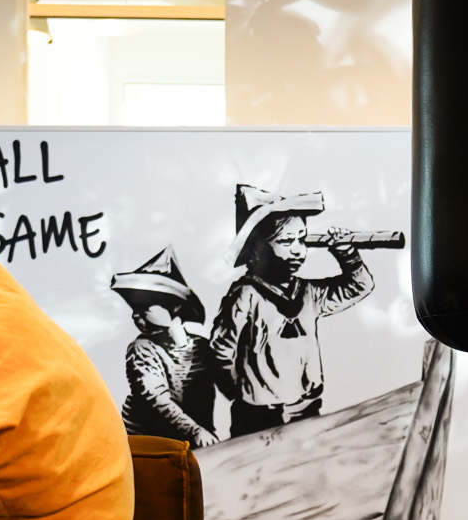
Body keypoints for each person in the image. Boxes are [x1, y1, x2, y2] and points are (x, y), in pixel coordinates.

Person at [210, 187, 374, 438]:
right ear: (256, 249)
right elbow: (220, 350)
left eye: (302, 239)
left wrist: (347, 253)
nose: (298, 250)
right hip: (258, 417)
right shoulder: (246, 294)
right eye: (286, 241)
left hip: (306, 408)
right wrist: (242, 392)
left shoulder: (308, 292)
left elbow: (359, 286)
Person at [111, 246, 221, 447]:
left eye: (145, 307)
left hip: (194, 438)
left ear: (176, 305)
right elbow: (157, 401)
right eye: (134, 309)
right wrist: (196, 431)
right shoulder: (141, 349)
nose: (136, 315)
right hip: (149, 441)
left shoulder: (202, 345)